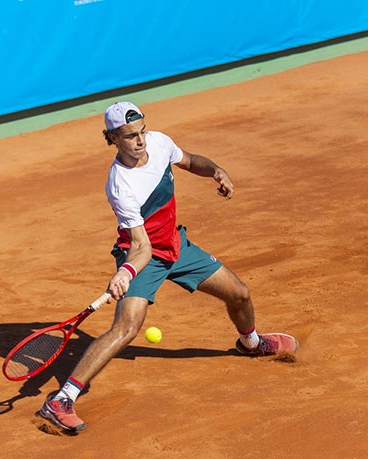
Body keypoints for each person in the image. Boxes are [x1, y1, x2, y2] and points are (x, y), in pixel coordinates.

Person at [39, 101, 299, 433]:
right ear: (113, 139)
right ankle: (61, 400)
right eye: (130, 136)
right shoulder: (121, 185)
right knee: (126, 328)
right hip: (141, 256)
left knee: (240, 294)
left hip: (177, 245)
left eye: (142, 131)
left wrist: (217, 170)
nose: (140, 141)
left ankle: (251, 343)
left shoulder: (160, 142)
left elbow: (190, 161)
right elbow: (141, 246)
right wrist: (126, 271)